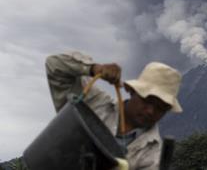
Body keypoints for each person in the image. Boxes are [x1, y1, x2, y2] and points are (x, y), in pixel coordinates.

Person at [45, 51, 183, 170]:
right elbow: (53, 65)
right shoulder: (93, 103)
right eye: (148, 100)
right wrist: (92, 68)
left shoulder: (153, 154)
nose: (150, 111)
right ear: (131, 90)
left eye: (161, 108)